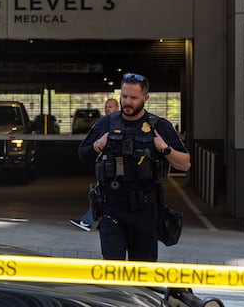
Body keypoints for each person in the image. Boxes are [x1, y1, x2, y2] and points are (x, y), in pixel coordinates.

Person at [78, 73, 190, 262]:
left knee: (143, 277)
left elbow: (185, 163)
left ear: (145, 98)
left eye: (133, 97)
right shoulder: (107, 123)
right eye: (124, 96)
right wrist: (99, 145)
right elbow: (83, 155)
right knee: (114, 274)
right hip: (112, 209)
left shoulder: (158, 125)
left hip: (145, 212)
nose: (127, 102)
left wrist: (164, 149)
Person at [70, 98, 120, 231]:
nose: (107, 109)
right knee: (102, 193)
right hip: (103, 163)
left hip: (112, 165)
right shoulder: (104, 122)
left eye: (110, 106)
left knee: (101, 193)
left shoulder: (117, 123)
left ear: (117, 108)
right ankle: (98, 221)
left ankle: (88, 221)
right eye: (106, 106)